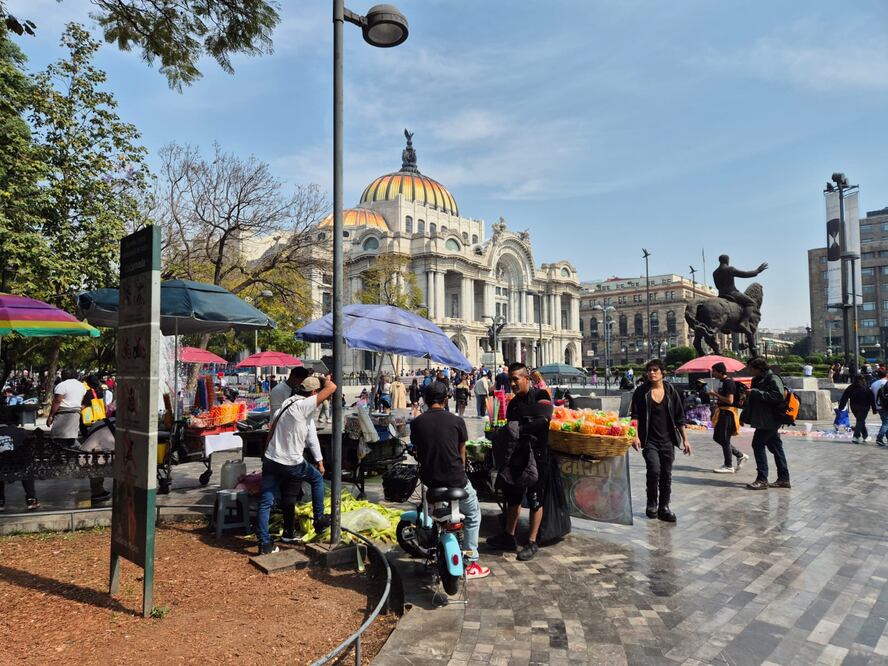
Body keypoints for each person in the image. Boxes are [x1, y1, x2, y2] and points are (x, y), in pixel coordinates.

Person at [410, 381, 490, 580]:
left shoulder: (418, 422)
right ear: (446, 400)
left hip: (431, 481)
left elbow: (418, 449)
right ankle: (471, 562)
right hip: (456, 480)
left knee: (437, 511)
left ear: (425, 401)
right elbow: (462, 454)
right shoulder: (456, 421)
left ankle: (436, 546)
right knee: (472, 515)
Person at [257, 375, 336, 555]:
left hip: (271, 459)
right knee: (316, 479)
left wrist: (319, 460)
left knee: (266, 501)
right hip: (290, 462)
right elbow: (332, 388)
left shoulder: (286, 405)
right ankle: (319, 520)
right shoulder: (303, 406)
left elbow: (310, 437)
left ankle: (265, 543)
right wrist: (325, 378)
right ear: (314, 393)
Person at [486, 362, 553, 561]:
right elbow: (512, 426)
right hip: (518, 455)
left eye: (516, 379)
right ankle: (508, 535)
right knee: (513, 495)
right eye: (510, 380)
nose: (513, 383)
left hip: (538, 455)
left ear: (527, 379)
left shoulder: (541, 396)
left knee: (534, 498)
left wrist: (518, 429)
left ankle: (532, 542)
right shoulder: (513, 403)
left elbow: (544, 420)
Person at [630, 359, 691, 522]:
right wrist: (635, 436)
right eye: (649, 370)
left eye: (655, 370)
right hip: (649, 440)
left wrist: (685, 440)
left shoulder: (671, 391)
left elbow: (680, 417)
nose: (651, 373)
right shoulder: (641, 392)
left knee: (666, 474)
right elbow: (634, 416)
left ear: (662, 373)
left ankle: (664, 507)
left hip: (668, 441)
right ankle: (652, 503)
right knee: (654, 470)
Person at [740, 357, 791, 490]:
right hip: (763, 419)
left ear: (759, 368)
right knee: (776, 448)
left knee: (757, 444)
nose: (750, 370)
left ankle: (762, 479)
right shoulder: (757, 380)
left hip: (771, 420)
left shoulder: (773, 378)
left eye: (751, 367)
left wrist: (756, 392)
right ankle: (784, 479)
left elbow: (778, 396)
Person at [709, 362, 749, 473]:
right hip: (722, 412)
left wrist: (715, 395)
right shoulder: (722, 383)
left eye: (715, 371)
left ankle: (728, 465)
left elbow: (730, 400)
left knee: (725, 439)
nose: (713, 373)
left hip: (728, 413)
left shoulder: (728, 383)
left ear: (721, 371)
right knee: (717, 437)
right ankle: (740, 455)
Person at [712, 254, 768, 335]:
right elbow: (745, 274)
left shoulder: (715, 273)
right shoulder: (730, 269)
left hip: (721, 295)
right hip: (732, 293)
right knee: (751, 303)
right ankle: (744, 322)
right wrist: (757, 271)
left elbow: (717, 286)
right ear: (727, 260)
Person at [0, 424, 40, 510]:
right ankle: (31, 499)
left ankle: (0, 501)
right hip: (19, 466)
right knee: (27, 467)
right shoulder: (21, 432)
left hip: (2, 466)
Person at [47, 369, 87, 446]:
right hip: (75, 414)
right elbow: (82, 400)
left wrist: (51, 416)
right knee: (71, 438)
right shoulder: (81, 385)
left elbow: (57, 401)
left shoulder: (62, 385)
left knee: (58, 439)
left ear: (63, 376)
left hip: (63, 414)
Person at [839, 375, 876, 444]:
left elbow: (844, 397)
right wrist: (874, 409)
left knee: (860, 421)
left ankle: (865, 436)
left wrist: (841, 406)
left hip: (854, 407)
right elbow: (871, 399)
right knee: (860, 421)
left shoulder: (850, 387)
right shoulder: (866, 388)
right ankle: (856, 436)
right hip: (864, 407)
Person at [871, 370, 888, 447]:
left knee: (885, 422)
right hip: (886, 406)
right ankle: (879, 438)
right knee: (886, 423)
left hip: (878, 405)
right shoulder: (885, 382)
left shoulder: (874, 384)